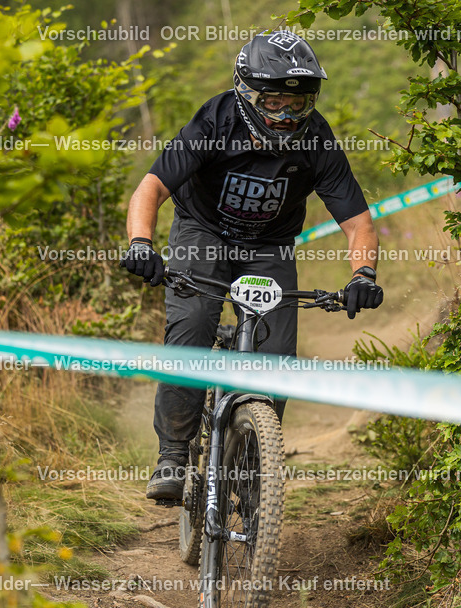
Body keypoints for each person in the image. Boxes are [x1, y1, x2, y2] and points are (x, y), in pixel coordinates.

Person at [122, 30, 384, 501]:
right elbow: (151, 188)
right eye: (274, 103)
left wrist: (363, 274)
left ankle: (250, 462)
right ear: (246, 94)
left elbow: (358, 223)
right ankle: (174, 454)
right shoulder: (215, 122)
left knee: (276, 354)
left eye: (299, 105)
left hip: (269, 246)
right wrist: (141, 244)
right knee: (194, 324)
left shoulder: (317, 140)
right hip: (203, 232)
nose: (287, 116)